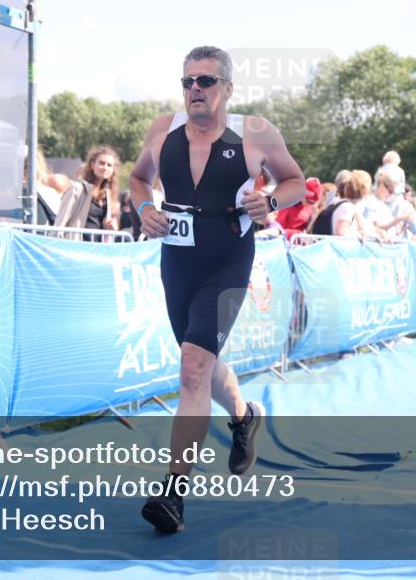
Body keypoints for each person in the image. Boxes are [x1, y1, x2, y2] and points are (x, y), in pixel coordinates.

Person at [128, 46, 305, 533]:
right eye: (187, 82)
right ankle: (246, 416)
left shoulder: (256, 131)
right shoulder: (162, 130)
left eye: (205, 81)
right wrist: (144, 210)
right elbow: (138, 180)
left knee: (193, 368)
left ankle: (173, 494)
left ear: (226, 87)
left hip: (229, 257)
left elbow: (296, 183)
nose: (194, 91)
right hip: (177, 258)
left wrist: (269, 198)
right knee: (198, 360)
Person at [54, 144, 120, 241]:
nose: (105, 167)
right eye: (101, 163)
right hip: (76, 247)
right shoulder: (76, 189)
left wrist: (109, 226)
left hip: (97, 249)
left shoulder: (108, 194)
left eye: (109, 165)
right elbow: (61, 221)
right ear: (92, 165)